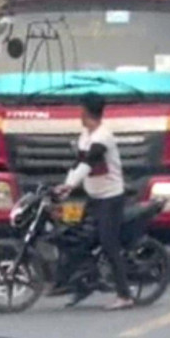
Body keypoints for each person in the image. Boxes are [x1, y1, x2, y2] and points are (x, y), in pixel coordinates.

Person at [56, 93, 133, 311]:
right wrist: (66, 185)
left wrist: (70, 185)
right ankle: (82, 284)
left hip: (110, 198)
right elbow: (78, 163)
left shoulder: (103, 137)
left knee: (109, 244)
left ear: (87, 111)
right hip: (93, 196)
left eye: (81, 109)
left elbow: (90, 162)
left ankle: (124, 295)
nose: (78, 113)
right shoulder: (85, 136)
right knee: (77, 238)